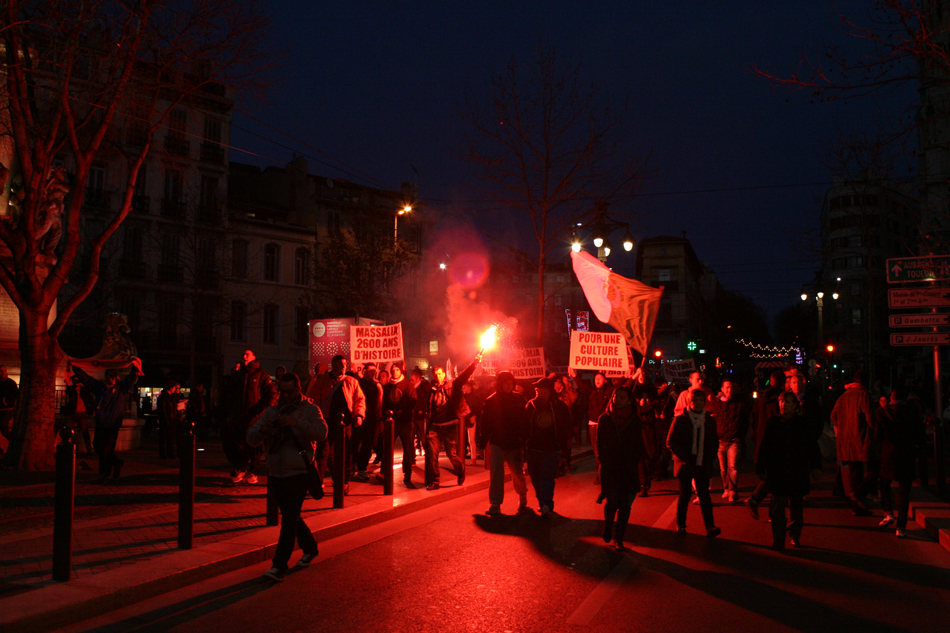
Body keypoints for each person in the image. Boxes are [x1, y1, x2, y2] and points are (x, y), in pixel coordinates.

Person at [247, 373, 327, 582]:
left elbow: (321, 432)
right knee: (291, 515)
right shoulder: (272, 411)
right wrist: (263, 430)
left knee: (289, 520)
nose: (286, 396)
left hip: (299, 472)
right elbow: (251, 438)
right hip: (276, 472)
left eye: (290, 392)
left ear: (298, 390)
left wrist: (296, 423)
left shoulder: (310, 409)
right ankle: (310, 547)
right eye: (282, 391)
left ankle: (279, 566)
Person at [70, 358, 143, 484]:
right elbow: (86, 379)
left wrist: (135, 367)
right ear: (106, 377)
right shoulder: (99, 387)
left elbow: (131, 379)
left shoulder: (121, 389)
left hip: (112, 425)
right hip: (101, 423)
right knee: (98, 447)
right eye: (111, 376)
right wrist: (76, 367)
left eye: (115, 376)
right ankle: (116, 463)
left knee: (106, 450)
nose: (113, 378)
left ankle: (105, 473)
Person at [757, 391, 811, 550]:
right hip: (777, 469)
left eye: (787, 402)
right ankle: (778, 538)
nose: (783, 405)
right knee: (777, 506)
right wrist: (761, 466)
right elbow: (765, 445)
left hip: (796, 469)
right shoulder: (773, 422)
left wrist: (815, 466)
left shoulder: (802, 423)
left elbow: (810, 446)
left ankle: (795, 534)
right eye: (781, 402)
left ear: (794, 406)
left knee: (796, 505)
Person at [667, 388, 721, 537]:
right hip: (685, 464)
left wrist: (709, 456)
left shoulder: (708, 419)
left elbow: (714, 441)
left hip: (702, 464)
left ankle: (710, 527)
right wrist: (685, 457)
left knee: (704, 496)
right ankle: (681, 524)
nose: (698, 403)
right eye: (695, 400)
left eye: (700, 400)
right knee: (685, 495)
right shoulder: (681, 419)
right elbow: (670, 441)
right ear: (689, 402)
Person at [598, 386, 645, 550]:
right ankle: (608, 526)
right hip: (610, 467)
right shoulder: (605, 419)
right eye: (616, 396)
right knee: (612, 502)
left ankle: (619, 538)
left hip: (627, 468)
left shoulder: (634, 420)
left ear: (629, 401)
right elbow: (599, 444)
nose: (618, 399)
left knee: (625, 505)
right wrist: (604, 461)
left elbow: (639, 444)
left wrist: (633, 462)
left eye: (622, 397)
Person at [876, 388, 925, 537]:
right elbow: (920, 437)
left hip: (888, 454)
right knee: (904, 492)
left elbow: (877, 436)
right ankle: (901, 528)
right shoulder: (913, 414)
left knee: (884, 483)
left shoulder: (883, 413)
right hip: (906, 455)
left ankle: (888, 512)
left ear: (892, 397)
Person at [478, 371, 529, 515]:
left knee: (517, 471)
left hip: (514, 441)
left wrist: (524, 440)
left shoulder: (519, 399)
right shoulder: (491, 401)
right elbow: (485, 424)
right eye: (505, 383)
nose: (509, 385)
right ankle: (495, 503)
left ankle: (522, 494)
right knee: (496, 474)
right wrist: (482, 444)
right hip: (497, 442)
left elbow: (524, 422)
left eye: (510, 382)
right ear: (500, 384)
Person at [224, 350, 278, 485]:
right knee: (239, 445)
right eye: (243, 354)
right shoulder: (238, 375)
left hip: (255, 417)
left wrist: (266, 411)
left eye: (247, 354)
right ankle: (241, 469)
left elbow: (272, 393)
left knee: (254, 446)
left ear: (254, 357)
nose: (244, 357)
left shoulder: (262, 375)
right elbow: (229, 395)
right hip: (239, 417)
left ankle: (253, 472)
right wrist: (229, 413)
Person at [425, 359, 479, 490]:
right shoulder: (431, 390)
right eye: (435, 374)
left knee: (452, 456)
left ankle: (460, 470)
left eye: (440, 373)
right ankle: (435, 481)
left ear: (444, 374)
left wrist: (474, 363)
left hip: (449, 426)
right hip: (435, 427)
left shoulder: (452, 384)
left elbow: (463, 376)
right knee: (432, 454)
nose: (438, 376)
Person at [524, 377, 574, 517]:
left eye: (540, 388)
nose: (537, 390)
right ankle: (542, 500)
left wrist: (563, 444)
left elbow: (568, 425)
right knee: (535, 477)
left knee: (547, 477)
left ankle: (546, 503)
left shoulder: (559, 406)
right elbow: (524, 426)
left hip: (552, 448)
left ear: (548, 390)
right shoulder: (531, 405)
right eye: (536, 388)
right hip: (534, 448)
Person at [314, 356, 366, 487]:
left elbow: (360, 399)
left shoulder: (351, 381)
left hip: (346, 424)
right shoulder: (323, 381)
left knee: (346, 453)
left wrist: (359, 415)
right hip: (326, 421)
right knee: (323, 452)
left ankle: (343, 481)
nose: (343, 367)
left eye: (344, 364)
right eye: (340, 364)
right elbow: (314, 399)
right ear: (333, 365)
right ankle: (318, 482)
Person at [831, 370, 875, 515]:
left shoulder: (844, 396)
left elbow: (833, 415)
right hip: (861, 439)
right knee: (873, 471)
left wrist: (843, 426)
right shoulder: (864, 395)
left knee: (853, 473)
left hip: (846, 440)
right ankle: (859, 496)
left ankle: (857, 506)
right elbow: (870, 419)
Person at [745, 370, 785, 519]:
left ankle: (759, 502)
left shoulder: (761, 400)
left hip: (763, 442)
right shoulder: (781, 401)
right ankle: (758, 501)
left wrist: (756, 439)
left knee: (772, 477)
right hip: (776, 444)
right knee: (776, 478)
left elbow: (753, 422)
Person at [571, 368, 616, 485]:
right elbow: (581, 385)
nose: (597, 380)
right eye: (596, 378)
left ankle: (608, 474)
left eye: (600, 378)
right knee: (597, 454)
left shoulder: (608, 391)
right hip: (593, 426)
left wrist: (627, 376)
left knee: (606, 451)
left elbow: (619, 386)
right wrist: (574, 375)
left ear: (605, 381)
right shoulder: (591, 391)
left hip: (605, 425)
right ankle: (600, 476)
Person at [713, 379, 749, 503]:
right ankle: (726, 488)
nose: (729, 390)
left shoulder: (740, 403)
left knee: (732, 467)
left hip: (734, 440)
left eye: (732, 387)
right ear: (722, 389)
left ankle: (733, 490)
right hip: (720, 440)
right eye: (727, 387)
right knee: (723, 469)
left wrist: (740, 436)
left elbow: (744, 422)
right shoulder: (717, 404)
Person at [383, 363, 416, 487]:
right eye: (393, 370)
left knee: (407, 449)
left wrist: (404, 411)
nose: (395, 372)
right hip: (391, 423)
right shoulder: (387, 387)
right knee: (388, 448)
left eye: (397, 369)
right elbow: (384, 403)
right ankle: (386, 472)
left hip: (405, 422)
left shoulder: (408, 385)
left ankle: (407, 474)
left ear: (401, 371)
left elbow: (413, 401)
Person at [353, 363, 383, 482]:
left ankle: (362, 468)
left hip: (371, 420)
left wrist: (379, 420)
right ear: (364, 371)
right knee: (354, 444)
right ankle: (352, 465)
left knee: (367, 445)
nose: (373, 373)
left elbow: (379, 404)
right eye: (370, 370)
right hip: (358, 418)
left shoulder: (376, 386)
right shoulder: (358, 383)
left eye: (374, 371)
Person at [632, 370, 660, 496]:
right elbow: (632, 406)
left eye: (644, 374)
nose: (641, 377)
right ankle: (643, 483)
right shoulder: (633, 390)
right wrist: (633, 378)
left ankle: (648, 476)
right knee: (639, 457)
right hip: (637, 427)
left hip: (649, 427)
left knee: (651, 454)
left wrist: (642, 408)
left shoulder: (651, 390)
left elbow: (655, 403)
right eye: (640, 375)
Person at [62, 368, 96, 455]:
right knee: (68, 431)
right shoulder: (72, 389)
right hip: (73, 413)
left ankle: (89, 449)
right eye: (75, 380)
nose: (76, 382)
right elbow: (67, 391)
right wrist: (68, 381)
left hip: (82, 413)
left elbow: (90, 400)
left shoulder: (84, 390)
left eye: (77, 380)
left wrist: (93, 409)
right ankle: (66, 447)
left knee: (85, 431)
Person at [156, 380, 184, 459]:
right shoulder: (163, 397)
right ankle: (163, 454)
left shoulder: (171, 397)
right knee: (164, 437)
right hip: (166, 419)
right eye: (175, 388)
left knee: (170, 438)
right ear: (171, 388)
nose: (175, 389)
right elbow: (163, 409)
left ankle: (170, 453)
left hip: (172, 419)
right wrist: (166, 419)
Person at [0, 365, 18, 454]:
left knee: (4, 429)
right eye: (1, 371)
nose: (3, 373)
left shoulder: (10, 383)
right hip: (2, 408)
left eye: (4, 371)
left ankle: (15, 444)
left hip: (6, 409)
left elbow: (14, 394)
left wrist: (6, 401)